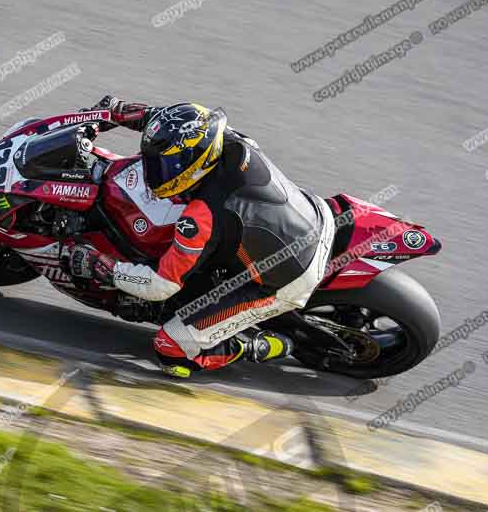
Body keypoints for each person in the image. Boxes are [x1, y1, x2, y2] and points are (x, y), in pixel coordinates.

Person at [67, 96, 335, 378]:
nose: (154, 173)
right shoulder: (222, 138)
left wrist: (107, 269)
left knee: (170, 349)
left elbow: (161, 285)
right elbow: (168, 123)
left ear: (195, 163)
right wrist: (114, 112)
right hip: (311, 214)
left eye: (165, 165)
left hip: (284, 280)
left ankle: (260, 347)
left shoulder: (201, 216)